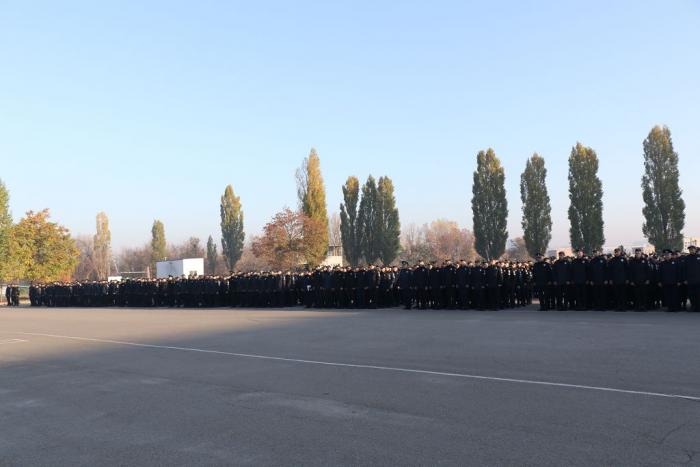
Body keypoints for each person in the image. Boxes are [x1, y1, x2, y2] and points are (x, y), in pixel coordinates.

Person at [684, 245, 700, 312]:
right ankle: (693, 306)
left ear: (695, 249)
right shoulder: (687, 258)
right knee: (691, 295)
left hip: (698, 279)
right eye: (690, 249)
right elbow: (684, 269)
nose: (691, 250)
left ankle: (698, 307)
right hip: (690, 280)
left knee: (698, 294)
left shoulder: (699, 257)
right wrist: (685, 279)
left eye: (692, 249)